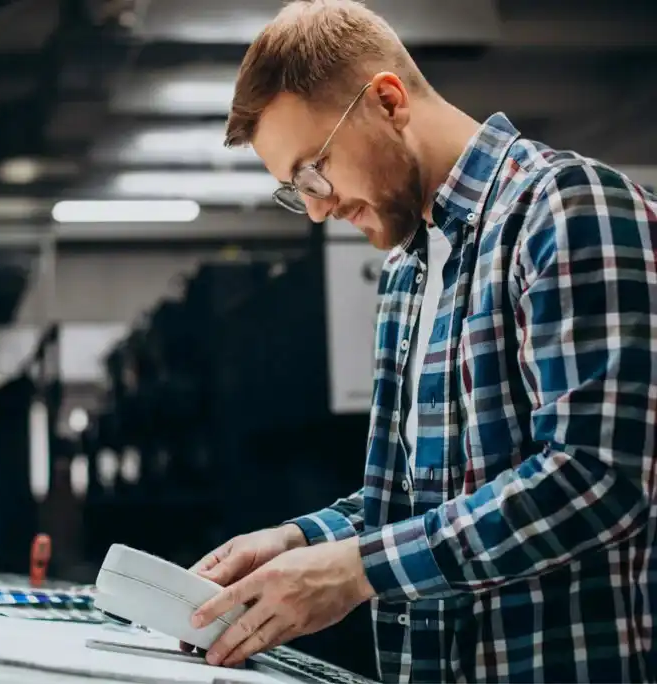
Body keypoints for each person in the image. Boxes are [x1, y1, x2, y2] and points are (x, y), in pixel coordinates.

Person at [181, 1, 657, 681]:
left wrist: (356, 571)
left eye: (315, 170)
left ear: (387, 100)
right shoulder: (408, 272)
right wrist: (303, 542)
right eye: (296, 190)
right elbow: (420, 505)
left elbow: (599, 476)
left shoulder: (568, 206)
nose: (317, 208)